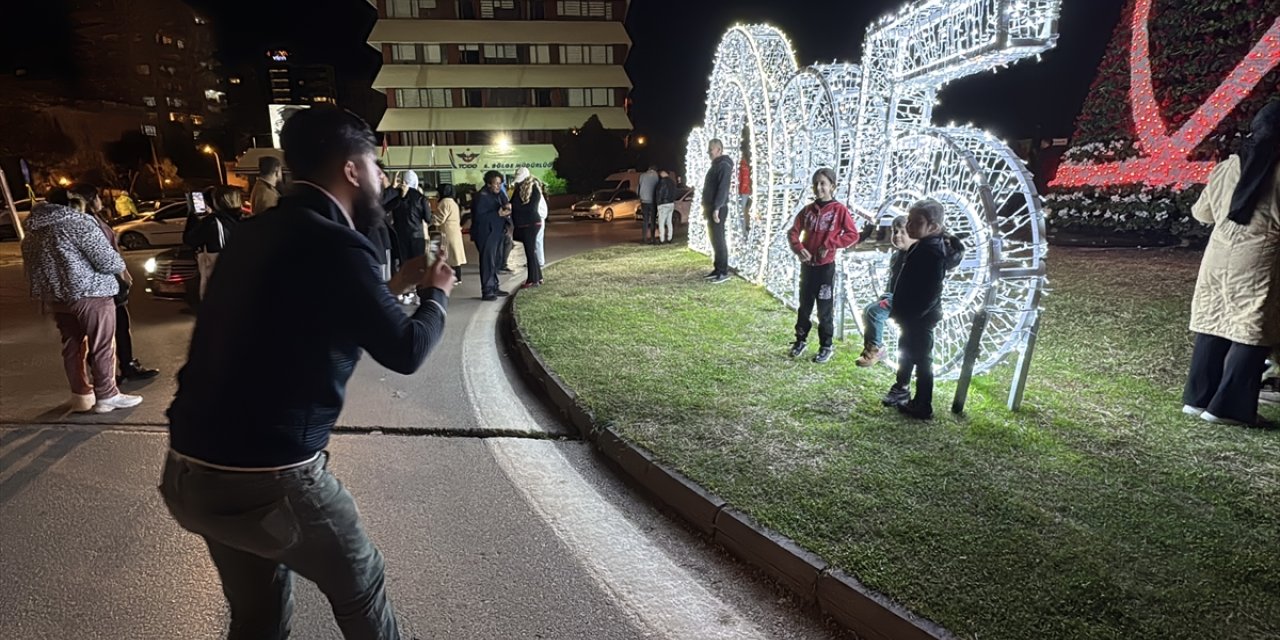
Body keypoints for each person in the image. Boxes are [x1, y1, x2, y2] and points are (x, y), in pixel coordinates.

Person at [160, 107, 455, 640]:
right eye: (374, 165)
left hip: (190, 470)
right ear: (350, 169)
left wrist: (389, 291)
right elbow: (406, 351)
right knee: (360, 581)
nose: (381, 179)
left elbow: (298, 317)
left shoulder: (255, 233)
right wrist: (436, 294)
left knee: (258, 615)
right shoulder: (339, 244)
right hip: (270, 478)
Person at [1182, 100, 1280, 428]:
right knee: (1251, 328)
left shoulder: (1229, 165)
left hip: (1218, 254)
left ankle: (1198, 400)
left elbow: (1202, 212)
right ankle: (1228, 409)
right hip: (1259, 256)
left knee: (1214, 320)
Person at [22, 189, 142, 414]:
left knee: (72, 344)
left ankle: (80, 394)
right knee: (102, 344)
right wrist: (119, 266)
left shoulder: (34, 230)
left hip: (56, 296)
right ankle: (107, 395)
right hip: (91, 291)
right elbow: (107, 260)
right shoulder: (78, 223)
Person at [882, 199, 964, 420]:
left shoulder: (932, 252)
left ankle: (923, 404)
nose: (909, 226)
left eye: (916, 222)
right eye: (909, 220)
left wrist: (913, 314)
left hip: (920, 317)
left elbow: (930, 289)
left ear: (934, 227)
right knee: (908, 353)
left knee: (922, 360)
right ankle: (906, 392)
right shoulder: (922, 246)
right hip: (912, 315)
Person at [70, 183, 159, 383]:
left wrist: (123, 272)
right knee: (105, 330)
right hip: (102, 283)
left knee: (119, 325)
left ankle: (125, 365)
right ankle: (108, 375)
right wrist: (119, 272)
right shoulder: (86, 223)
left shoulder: (95, 220)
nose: (102, 201)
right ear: (91, 200)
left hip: (110, 279)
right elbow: (103, 255)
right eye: (98, 197)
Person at [786, 168, 860, 364]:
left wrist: (830, 245)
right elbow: (793, 232)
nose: (819, 187)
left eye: (823, 183)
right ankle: (800, 340)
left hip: (825, 269)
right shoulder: (808, 210)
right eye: (816, 184)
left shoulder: (839, 210)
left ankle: (826, 345)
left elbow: (853, 234)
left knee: (824, 308)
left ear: (832, 186)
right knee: (804, 306)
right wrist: (799, 248)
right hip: (807, 267)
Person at [856, 215, 915, 367]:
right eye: (895, 232)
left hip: (909, 299)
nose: (897, 236)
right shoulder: (897, 257)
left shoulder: (917, 256)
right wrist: (887, 296)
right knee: (869, 309)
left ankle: (876, 349)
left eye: (903, 232)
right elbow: (892, 281)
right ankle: (871, 348)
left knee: (875, 312)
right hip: (895, 296)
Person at [183, 185, 243, 300]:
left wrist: (192, 215)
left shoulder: (211, 222)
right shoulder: (246, 220)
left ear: (218, 202)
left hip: (220, 280)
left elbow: (189, 239)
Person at [472, 170, 512, 301]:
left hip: (497, 231)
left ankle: (494, 286)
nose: (498, 186)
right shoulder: (482, 196)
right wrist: (497, 214)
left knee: (495, 262)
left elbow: (505, 207)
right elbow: (479, 217)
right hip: (485, 233)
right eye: (496, 184)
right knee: (488, 262)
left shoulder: (499, 194)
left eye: (500, 184)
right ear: (488, 184)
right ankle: (487, 290)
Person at [702, 139, 734, 283]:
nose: (709, 151)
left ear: (719, 150)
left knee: (719, 239)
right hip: (711, 207)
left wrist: (717, 207)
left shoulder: (724, 165)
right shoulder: (715, 166)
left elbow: (723, 188)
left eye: (711, 149)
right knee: (714, 239)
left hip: (718, 208)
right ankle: (718, 268)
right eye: (709, 149)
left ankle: (723, 270)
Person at [510, 167, 544, 288]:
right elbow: (512, 203)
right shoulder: (519, 188)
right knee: (531, 251)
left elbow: (531, 208)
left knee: (530, 252)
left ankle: (532, 279)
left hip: (531, 224)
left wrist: (514, 208)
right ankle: (538, 277)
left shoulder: (534, 188)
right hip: (524, 224)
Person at [433, 184, 466, 285]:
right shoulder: (453, 202)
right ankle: (458, 277)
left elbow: (439, 218)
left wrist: (430, 219)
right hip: (454, 231)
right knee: (455, 256)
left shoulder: (444, 202)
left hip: (448, 232)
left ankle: (453, 278)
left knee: (449, 256)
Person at [655, 170, 678, 244]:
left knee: (661, 222)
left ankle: (662, 239)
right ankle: (669, 238)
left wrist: (658, 204)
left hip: (663, 204)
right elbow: (675, 192)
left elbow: (659, 193)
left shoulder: (661, 182)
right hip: (671, 203)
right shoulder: (672, 182)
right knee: (669, 222)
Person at [638, 165, 659, 244]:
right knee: (653, 220)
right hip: (652, 200)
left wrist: (640, 196)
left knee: (645, 220)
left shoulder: (642, 175)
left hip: (644, 200)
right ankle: (652, 238)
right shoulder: (656, 176)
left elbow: (639, 187)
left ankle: (644, 238)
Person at [738, 156, 753, 234]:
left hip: (742, 192)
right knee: (743, 211)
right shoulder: (745, 166)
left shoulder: (742, 167)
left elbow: (742, 180)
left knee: (741, 212)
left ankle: (743, 230)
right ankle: (744, 229)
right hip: (745, 192)